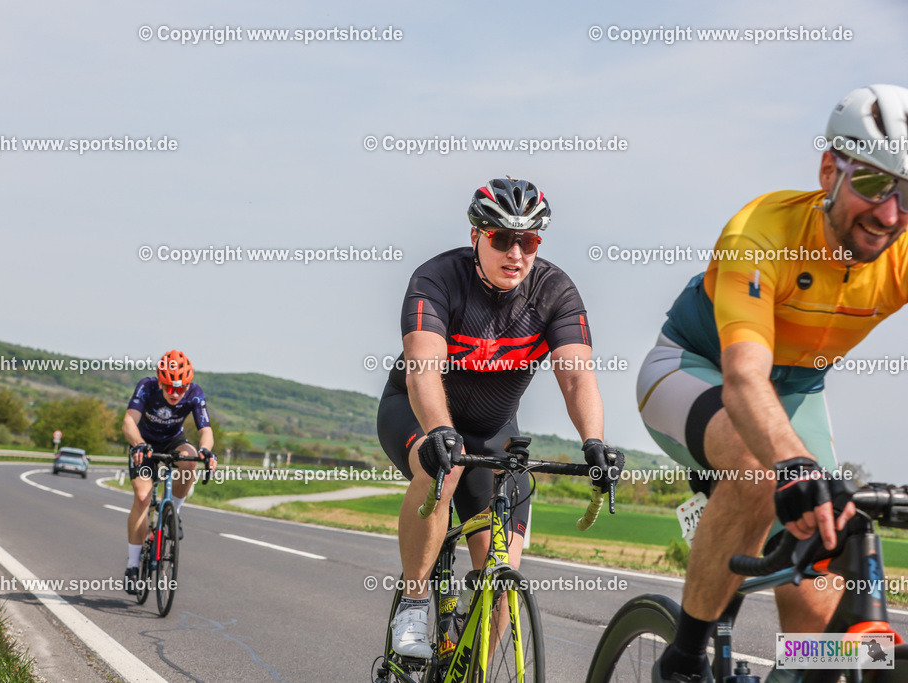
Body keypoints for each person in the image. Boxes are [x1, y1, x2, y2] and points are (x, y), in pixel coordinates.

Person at [636, 84, 908, 682]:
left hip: (797, 392)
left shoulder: (903, 246)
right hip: (696, 368)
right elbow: (744, 379)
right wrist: (795, 465)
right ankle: (683, 661)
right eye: (872, 184)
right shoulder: (761, 232)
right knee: (762, 474)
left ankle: (801, 671)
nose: (889, 214)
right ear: (829, 170)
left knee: (833, 555)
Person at [378, 177, 611, 657]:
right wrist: (439, 431)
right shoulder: (436, 279)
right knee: (443, 468)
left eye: (528, 241)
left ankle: (471, 664)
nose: (515, 253)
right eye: (502, 238)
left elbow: (576, 377)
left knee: (502, 580)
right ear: (476, 236)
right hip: (417, 413)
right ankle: (415, 604)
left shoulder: (555, 291)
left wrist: (594, 442)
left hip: (494, 432)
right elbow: (424, 368)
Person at [122, 349, 216, 594]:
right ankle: (132, 565)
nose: (175, 393)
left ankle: (174, 511)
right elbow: (129, 421)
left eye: (181, 388)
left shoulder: (195, 393)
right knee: (142, 497)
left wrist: (206, 450)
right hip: (144, 443)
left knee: (190, 461)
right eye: (169, 388)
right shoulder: (146, 387)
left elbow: (205, 429)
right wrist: (138, 444)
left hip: (173, 441)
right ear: (160, 382)